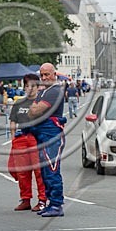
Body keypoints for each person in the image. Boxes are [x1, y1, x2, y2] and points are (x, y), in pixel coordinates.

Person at [25, 63, 67, 218]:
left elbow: (35, 110)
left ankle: (57, 204)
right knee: (45, 171)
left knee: (52, 170)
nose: (44, 78)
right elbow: (32, 113)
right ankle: (51, 203)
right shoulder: (44, 91)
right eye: (42, 75)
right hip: (43, 135)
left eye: (47, 75)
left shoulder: (55, 91)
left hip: (52, 136)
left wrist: (34, 107)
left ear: (54, 74)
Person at [8, 74, 47, 212]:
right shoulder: (18, 103)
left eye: (33, 86)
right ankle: (25, 200)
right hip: (21, 138)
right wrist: (13, 138)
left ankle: (42, 200)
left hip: (36, 139)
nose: (30, 89)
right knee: (22, 172)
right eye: (27, 86)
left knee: (39, 171)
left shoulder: (41, 103)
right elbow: (13, 120)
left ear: (38, 87)